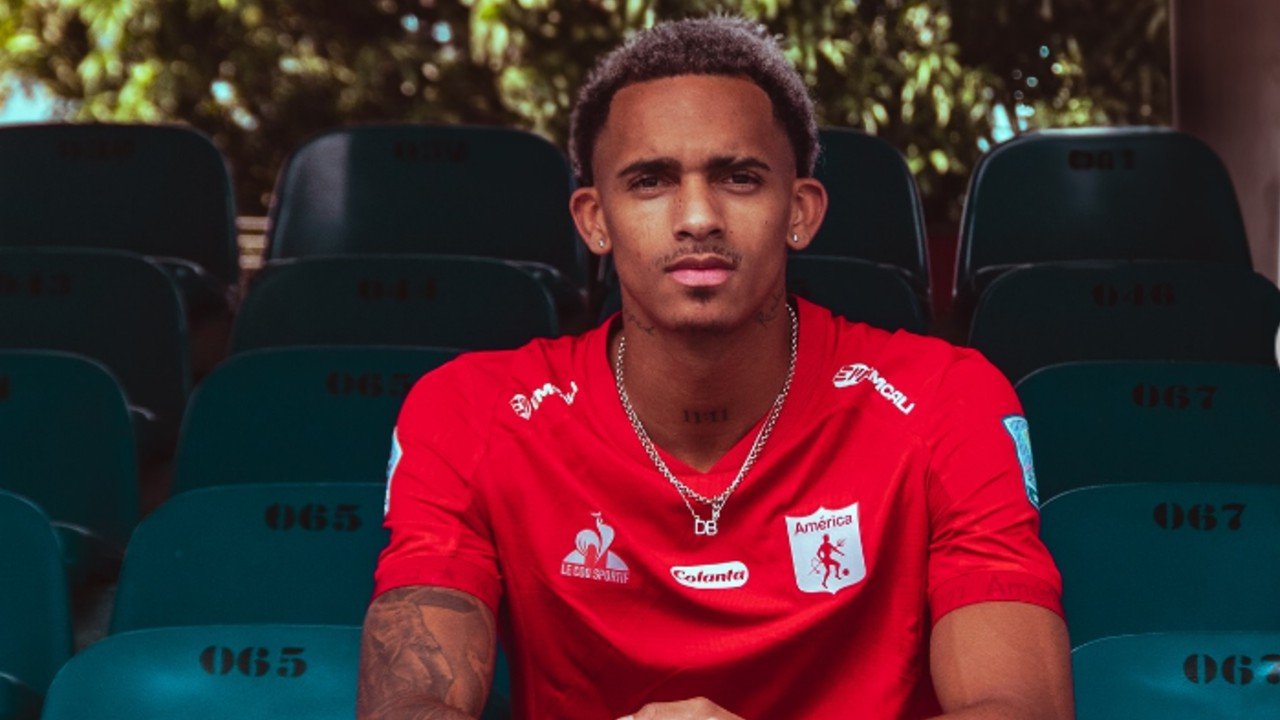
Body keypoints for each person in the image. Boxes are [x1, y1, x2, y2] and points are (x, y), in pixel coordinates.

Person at [359, 16, 1073, 720]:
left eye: (738, 178)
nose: (697, 216)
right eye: (650, 181)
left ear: (800, 210)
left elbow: (1021, 710)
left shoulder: (948, 400)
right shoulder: (469, 412)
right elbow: (406, 705)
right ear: (594, 220)